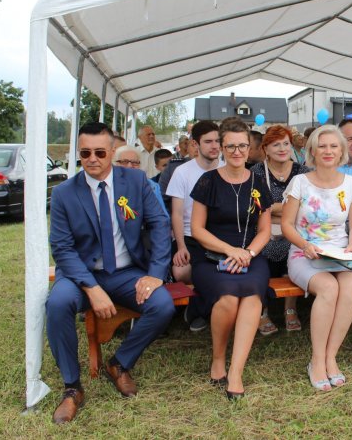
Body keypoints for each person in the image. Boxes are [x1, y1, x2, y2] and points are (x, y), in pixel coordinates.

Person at [46, 122, 174, 424]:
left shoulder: (135, 180)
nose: (92, 159)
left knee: (162, 305)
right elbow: (62, 248)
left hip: (125, 271)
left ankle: (119, 363)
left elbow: (159, 224)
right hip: (80, 274)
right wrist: (91, 288)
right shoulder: (64, 193)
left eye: (100, 152)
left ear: (112, 152)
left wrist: (156, 273)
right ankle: (72, 387)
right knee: (57, 304)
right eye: (85, 153)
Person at [189, 118, 273, 400]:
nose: (237, 152)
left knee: (252, 297)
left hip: (251, 256)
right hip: (211, 255)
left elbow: (264, 231)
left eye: (242, 146)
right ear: (222, 148)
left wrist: (248, 253)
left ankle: (236, 372)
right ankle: (218, 358)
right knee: (227, 297)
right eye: (231, 146)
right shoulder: (208, 181)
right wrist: (230, 250)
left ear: (250, 148)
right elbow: (197, 229)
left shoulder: (259, 183)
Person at [280, 125, 352, 390]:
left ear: (341, 151)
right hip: (303, 252)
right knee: (328, 288)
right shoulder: (300, 183)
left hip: (340, 252)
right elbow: (286, 225)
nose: (328, 151)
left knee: (350, 286)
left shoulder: (351, 184)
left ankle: (331, 357)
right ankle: (317, 361)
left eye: (333, 146)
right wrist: (305, 245)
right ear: (313, 151)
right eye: (322, 146)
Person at [250, 125, 310, 334]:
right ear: (265, 148)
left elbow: (307, 207)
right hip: (263, 231)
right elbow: (255, 208)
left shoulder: (303, 172)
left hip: (295, 231)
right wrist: (287, 209)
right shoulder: (255, 173)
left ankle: (290, 309)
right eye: (276, 145)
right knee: (261, 256)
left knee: (294, 250)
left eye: (286, 143)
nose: (283, 148)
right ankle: (262, 311)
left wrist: (272, 209)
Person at [166, 121, 220, 332]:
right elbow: (177, 214)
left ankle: (197, 308)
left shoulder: (227, 168)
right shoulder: (182, 172)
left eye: (217, 141)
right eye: (208, 141)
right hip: (190, 236)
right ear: (195, 144)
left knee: (213, 272)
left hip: (221, 235)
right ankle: (199, 304)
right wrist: (180, 246)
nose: (214, 146)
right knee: (181, 271)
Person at [113, 146, 167, 213]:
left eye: (134, 162)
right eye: (124, 162)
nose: (130, 166)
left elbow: (160, 214)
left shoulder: (152, 186)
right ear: (114, 164)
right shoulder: (108, 185)